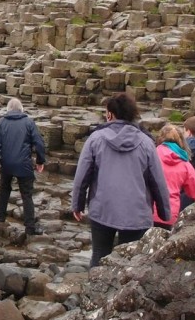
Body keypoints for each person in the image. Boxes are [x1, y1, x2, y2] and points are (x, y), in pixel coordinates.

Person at [71, 93, 170, 267]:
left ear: (110, 114)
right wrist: (164, 212)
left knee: (100, 254)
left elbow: (82, 175)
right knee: (130, 261)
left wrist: (77, 205)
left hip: (103, 208)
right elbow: (158, 181)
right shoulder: (146, 143)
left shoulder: (96, 139)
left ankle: (95, 292)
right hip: (136, 212)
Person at [0, 98, 47, 235]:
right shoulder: (28, 122)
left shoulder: (2, 122)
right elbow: (39, 143)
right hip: (24, 163)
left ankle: (0, 215)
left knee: (4, 189)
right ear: (21, 109)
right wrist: (40, 161)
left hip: (7, 163)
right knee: (26, 194)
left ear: (8, 109)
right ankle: (30, 227)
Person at [152, 124, 195, 229]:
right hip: (170, 213)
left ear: (160, 138)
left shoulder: (151, 155)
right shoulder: (184, 163)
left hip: (148, 211)